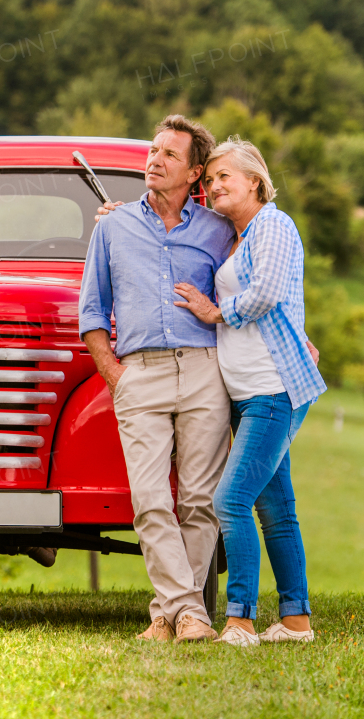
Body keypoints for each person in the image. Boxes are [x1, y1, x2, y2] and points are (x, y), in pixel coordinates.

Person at [78, 114, 234, 644]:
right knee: (149, 498)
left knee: (197, 501)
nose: (154, 159)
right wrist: (115, 375)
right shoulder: (113, 226)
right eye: (153, 150)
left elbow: (246, 287)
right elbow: (92, 312)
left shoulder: (218, 231)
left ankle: (169, 617)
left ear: (194, 173)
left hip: (203, 370)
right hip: (137, 374)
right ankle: (189, 611)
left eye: (170, 154)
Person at [171, 137, 326, 647]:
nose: (213, 186)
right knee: (275, 507)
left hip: (275, 388)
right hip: (246, 393)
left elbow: (266, 293)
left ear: (254, 182)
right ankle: (297, 620)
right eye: (209, 179)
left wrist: (217, 312)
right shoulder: (234, 236)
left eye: (224, 178)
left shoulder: (274, 224)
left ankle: (239, 620)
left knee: (230, 501)